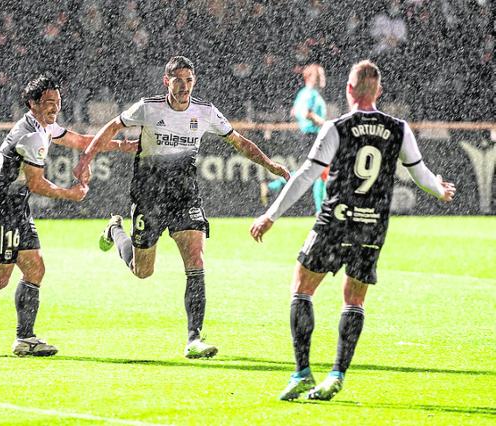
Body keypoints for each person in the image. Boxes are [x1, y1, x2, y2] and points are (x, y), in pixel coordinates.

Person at [250, 60, 455, 400]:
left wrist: (271, 215)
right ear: (379, 91)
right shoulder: (398, 128)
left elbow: (305, 176)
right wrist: (440, 190)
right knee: (354, 298)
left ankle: (302, 372)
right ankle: (337, 373)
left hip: (336, 220)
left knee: (302, 287)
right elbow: (421, 175)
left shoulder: (337, 127)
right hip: (372, 226)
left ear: (348, 90)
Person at [74, 56, 291, 359]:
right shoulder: (148, 107)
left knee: (196, 260)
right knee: (142, 271)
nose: (184, 86)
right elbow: (112, 126)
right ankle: (115, 229)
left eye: (189, 80)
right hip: (149, 196)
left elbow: (238, 142)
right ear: (167, 81)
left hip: (184, 196)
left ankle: (194, 338)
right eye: (178, 80)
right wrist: (86, 158)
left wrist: (269, 164)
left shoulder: (205, 112)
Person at [0, 74, 136, 357]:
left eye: (57, 101)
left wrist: (121, 146)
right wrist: (72, 193)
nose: (54, 107)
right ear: (32, 103)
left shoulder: (44, 126)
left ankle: (25, 339)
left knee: (35, 269)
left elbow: (80, 140)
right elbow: (36, 183)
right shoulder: (30, 136)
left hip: (17, 207)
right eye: (48, 102)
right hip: (0, 210)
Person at [260, 64, 329, 214]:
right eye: (320, 75)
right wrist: (326, 124)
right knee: (320, 171)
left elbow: (294, 111)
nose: (323, 78)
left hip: (308, 136)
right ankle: (320, 211)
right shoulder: (310, 94)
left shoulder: (304, 94)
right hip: (312, 135)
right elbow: (306, 113)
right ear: (310, 77)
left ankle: (273, 186)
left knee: (309, 172)